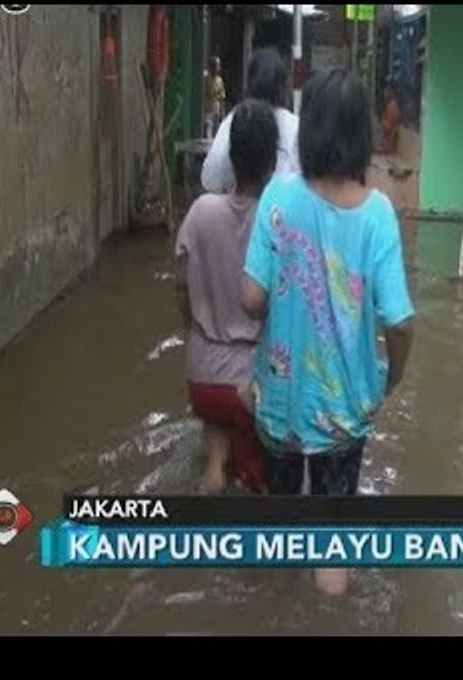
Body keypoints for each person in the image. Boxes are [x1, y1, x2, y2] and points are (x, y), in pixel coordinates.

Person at [241, 69, 415, 596]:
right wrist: (393, 377)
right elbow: (401, 321)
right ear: (362, 134)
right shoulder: (379, 214)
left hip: (282, 403)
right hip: (345, 408)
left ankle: (274, 604)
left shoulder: (278, 198)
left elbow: (250, 302)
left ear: (309, 132)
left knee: (282, 520)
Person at [175, 99, 280, 495]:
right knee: (259, 481)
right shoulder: (275, 222)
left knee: (217, 422)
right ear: (272, 162)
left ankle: (214, 469)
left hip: (200, 377)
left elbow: (181, 286)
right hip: (249, 387)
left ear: (231, 158)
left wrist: (197, 328)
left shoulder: (200, 211)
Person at [201, 47, 300, 194]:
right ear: (283, 86)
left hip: (239, 211)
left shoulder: (235, 119)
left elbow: (210, 180)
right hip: (285, 214)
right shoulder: (295, 127)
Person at [204, 56, 226, 138]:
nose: (218, 68)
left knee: (216, 134)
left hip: (216, 110)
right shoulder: (206, 78)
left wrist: (222, 113)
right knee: (208, 132)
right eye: (216, 65)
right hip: (207, 110)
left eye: (218, 65)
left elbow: (222, 97)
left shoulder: (219, 80)